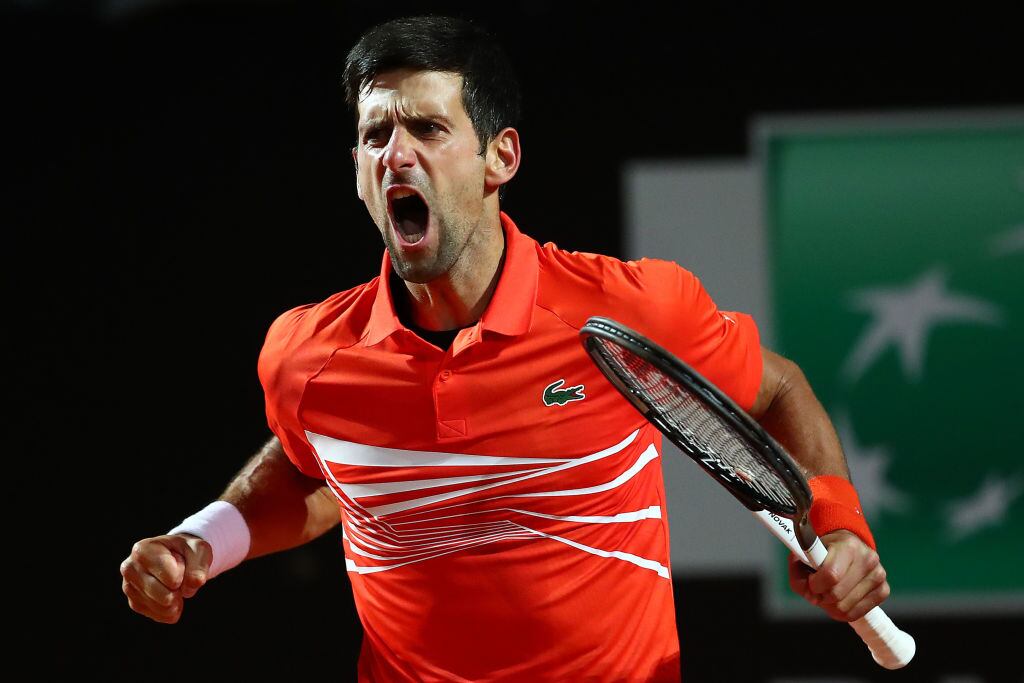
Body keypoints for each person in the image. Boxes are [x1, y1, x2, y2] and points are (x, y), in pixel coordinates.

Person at [120, 15, 890, 682]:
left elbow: (777, 389)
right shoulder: (305, 354)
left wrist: (840, 525)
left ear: (502, 158)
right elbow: (310, 467)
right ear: (357, 172)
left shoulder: (627, 308)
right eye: (374, 134)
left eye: (427, 127)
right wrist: (199, 543)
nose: (395, 153)